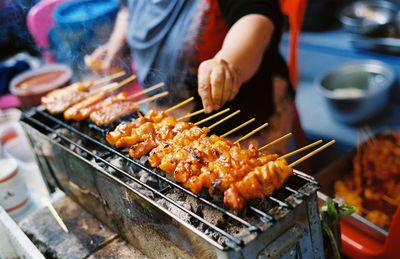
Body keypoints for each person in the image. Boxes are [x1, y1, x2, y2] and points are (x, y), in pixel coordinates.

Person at [90, 0, 296, 154]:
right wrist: (115, 45)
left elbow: (255, 15)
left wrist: (226, 62)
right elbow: (129, 8)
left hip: (237, 113)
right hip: (167, 107)